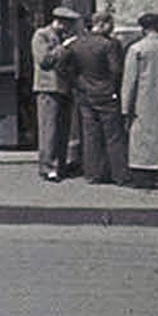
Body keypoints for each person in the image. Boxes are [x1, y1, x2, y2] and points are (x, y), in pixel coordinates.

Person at [55, 10, 129, 186]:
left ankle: (93, 173)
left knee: (90, 134)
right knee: (113, 136)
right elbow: (116, 70)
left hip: (85, 93)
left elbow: (61, 66)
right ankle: (119, 174)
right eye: (110, 23)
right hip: (106, 93)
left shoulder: (77, 44)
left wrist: (76, 82)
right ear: (102, 24)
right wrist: (114, 88)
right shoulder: (110, 44)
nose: (112, 27)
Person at [33, 5, 81, 181]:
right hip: (48, 88)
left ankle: (60, 165)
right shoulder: (42, 35)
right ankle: (47, 167)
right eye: (67, 24)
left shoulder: (63, 37)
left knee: (63, 129)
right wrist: (63, 47)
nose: (69, 28)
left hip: (64, 87)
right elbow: (44, 60)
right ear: (59, 22)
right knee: (49, 129)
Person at [123, 12, 158, 189]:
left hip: (143, 98)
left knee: (143, 137)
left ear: (143, 28)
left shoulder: (137, 49)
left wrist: (125, 108)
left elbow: (130, 81)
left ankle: (145, 176)